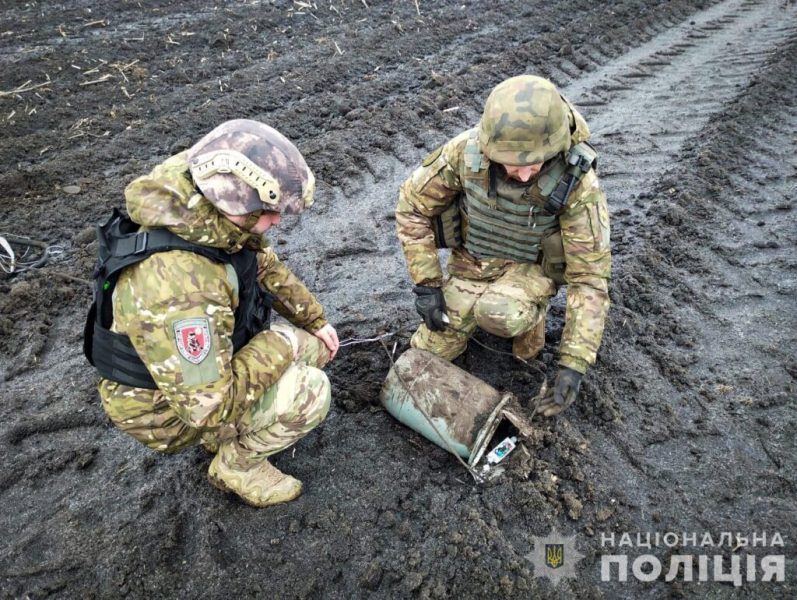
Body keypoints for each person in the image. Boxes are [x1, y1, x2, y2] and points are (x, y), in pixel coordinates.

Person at [84, 119, 339, 507]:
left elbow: (262, 264)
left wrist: (314, 320)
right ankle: (237, 465)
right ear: (234, 200)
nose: (276, 221)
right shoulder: (182, 287)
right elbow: (208, 407)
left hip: (190, 380)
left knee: (314, 347)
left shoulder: (206, 214)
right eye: (268, 211)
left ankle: (234, 432)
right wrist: (282, 343)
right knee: (309, 391)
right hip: (162, 410)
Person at [395, 75, 611, 417]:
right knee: (423, 353)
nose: (524, 176)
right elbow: (412, 207)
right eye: (514, 164)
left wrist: (574, 362)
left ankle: (530, 322)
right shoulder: (465, 154)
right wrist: (428, 285)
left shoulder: (577, 182)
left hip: (530, 269)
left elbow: (590, 276)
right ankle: (475, 308)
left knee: (499, 313)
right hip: (472, 264)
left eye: (534, 164)